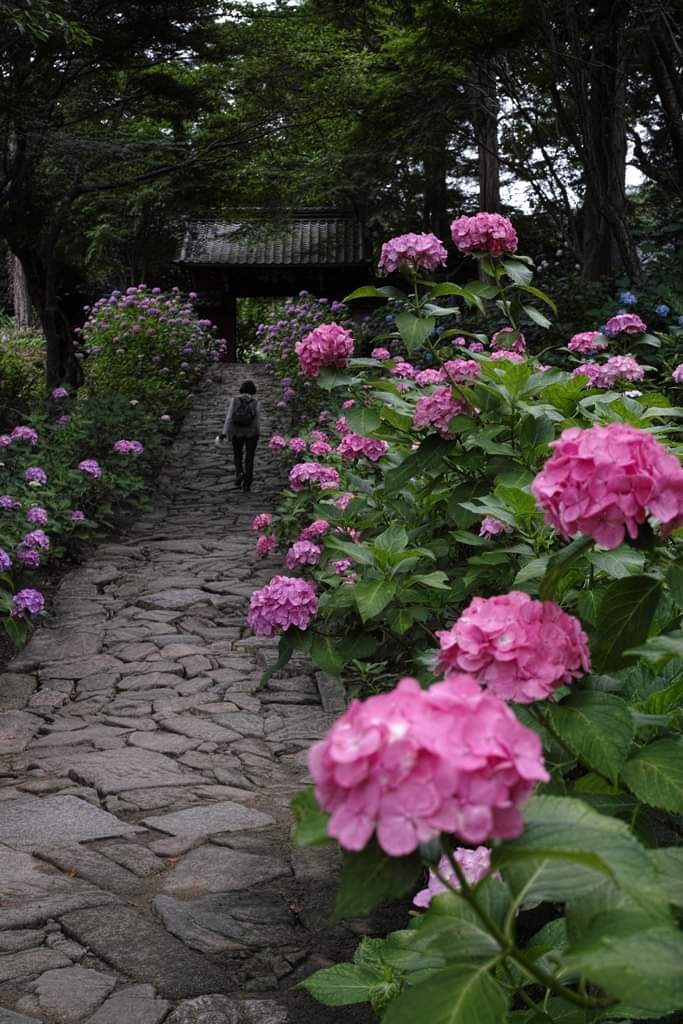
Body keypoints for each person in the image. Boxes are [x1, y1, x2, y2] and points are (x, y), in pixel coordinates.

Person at [218, 380, 260, 491]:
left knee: (237, 454)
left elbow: (229, 418)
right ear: (253, 390)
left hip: (237, 432)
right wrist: (257, 432)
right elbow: (257, 420)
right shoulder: (255, 402)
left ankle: (239, 473)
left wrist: (224, 433)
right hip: (251, 433)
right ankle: (247, 483)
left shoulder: (235, 400)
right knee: (250, 457)